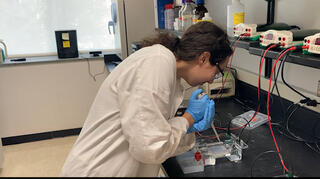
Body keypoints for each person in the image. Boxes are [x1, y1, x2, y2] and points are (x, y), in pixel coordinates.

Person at [60, 21, 233, 177]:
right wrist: (188, 119)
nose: (212, 79)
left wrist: (186, 126)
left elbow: (151, 133)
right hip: (97, 170)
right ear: (204, 57)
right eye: (217, 71)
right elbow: (150, 148)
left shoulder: (169, 72)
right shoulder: (157, 62)